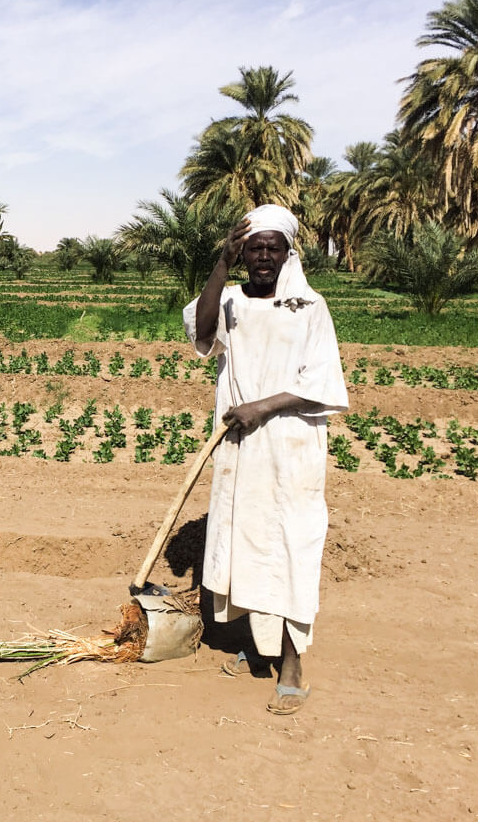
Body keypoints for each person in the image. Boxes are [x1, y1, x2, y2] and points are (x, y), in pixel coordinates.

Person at [182, 203, 348, 715]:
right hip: (241, 446)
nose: (263, 256)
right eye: (254, 247)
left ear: (287, 252)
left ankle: (293, 663)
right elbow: (201, 335)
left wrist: (263, 405)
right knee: (249, 541)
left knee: (293, 544)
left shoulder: (310, 308)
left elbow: (321, 383)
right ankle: (258, 645)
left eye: (272, 247)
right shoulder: (230, 300)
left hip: (292, 444)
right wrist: (219, 265)